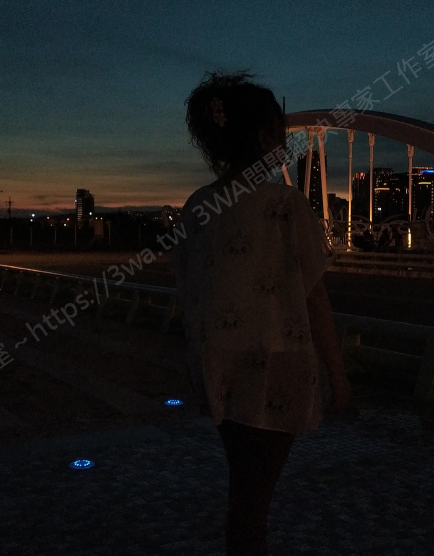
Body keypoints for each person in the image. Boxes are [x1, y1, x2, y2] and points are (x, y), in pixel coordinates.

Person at [171, 71, 352, 556]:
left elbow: (189, 288)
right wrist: (337, 373)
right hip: (278, 363)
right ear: (264, 138)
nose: (284, 144)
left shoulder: (197, 206)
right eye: (279, 133)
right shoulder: (285, 204)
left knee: (245, 486)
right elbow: (314, 296)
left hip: (218, 364)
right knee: (253, 502)